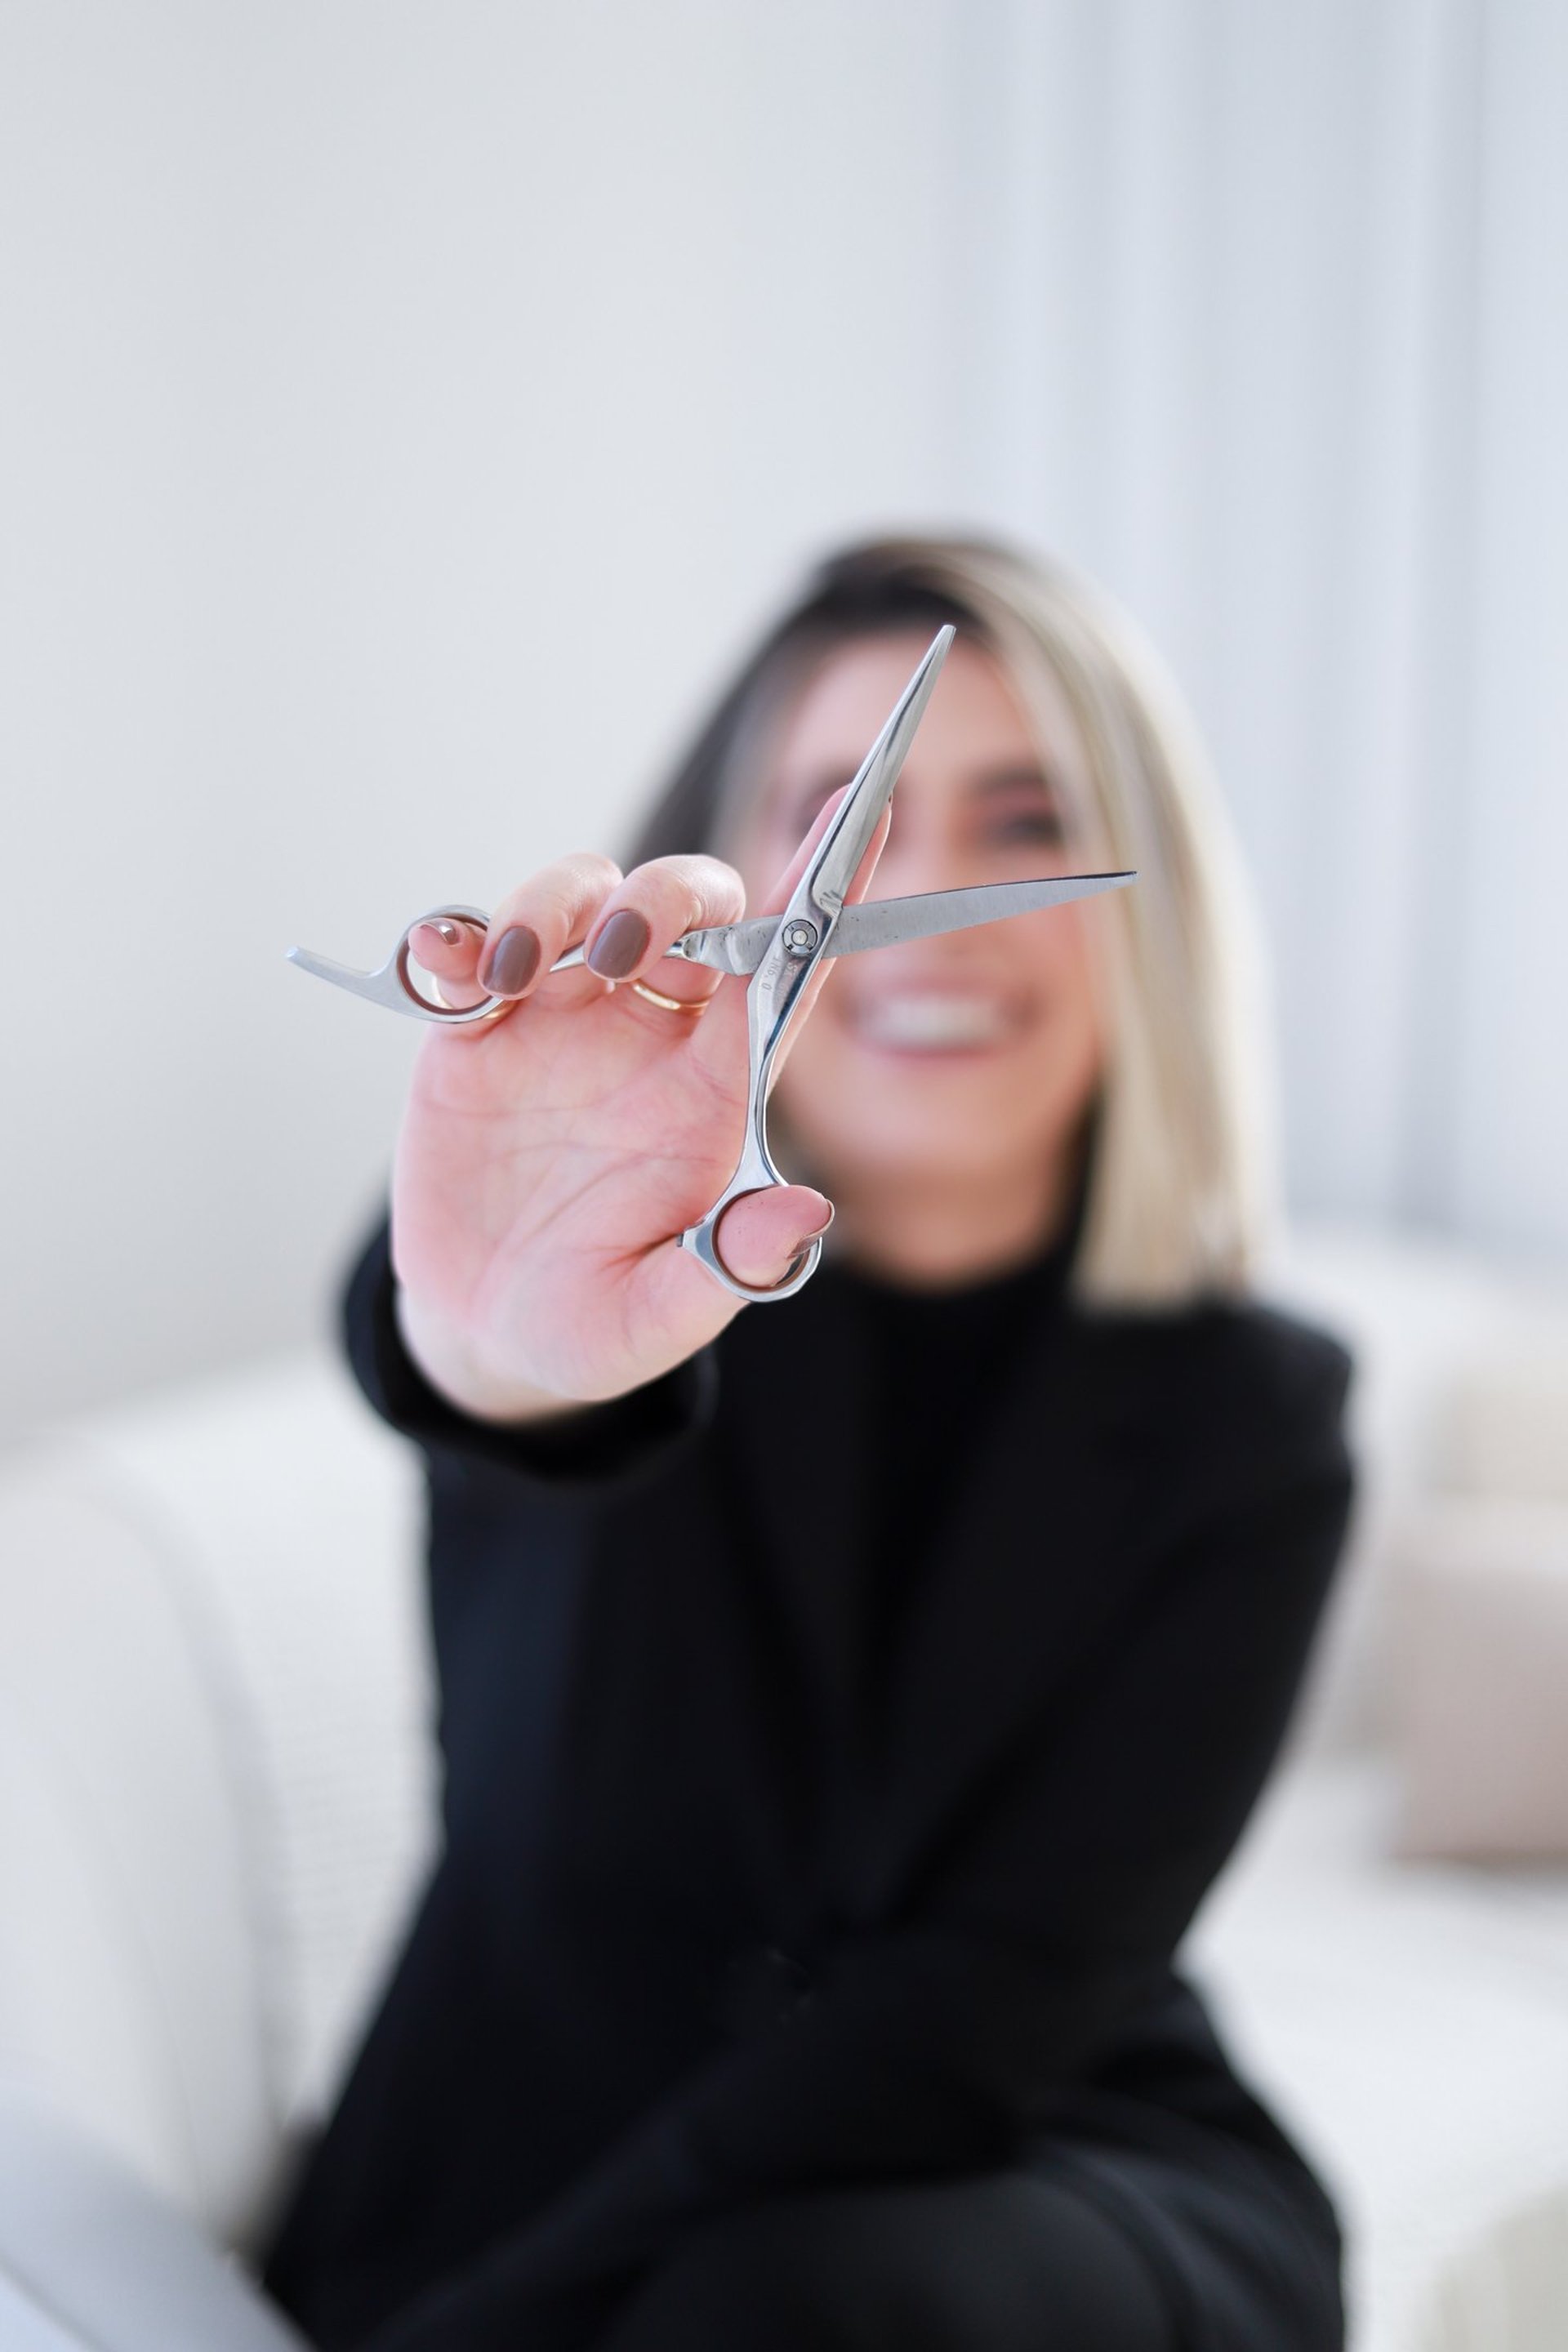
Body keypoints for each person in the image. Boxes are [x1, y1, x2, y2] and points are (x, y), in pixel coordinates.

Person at [259, 535, 1355, 2351]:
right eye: (845, 815)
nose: (922, 893)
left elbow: (978, 2014)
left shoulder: (1258, 1422)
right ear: (746, 886)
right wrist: (486, 1340)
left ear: (1144, 911)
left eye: (1024, 821)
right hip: (516, 2145)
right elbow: (472, 1372)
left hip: (1034, 2164)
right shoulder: (616, 1288)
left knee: (807, 2306)